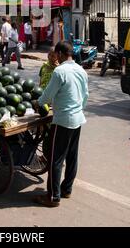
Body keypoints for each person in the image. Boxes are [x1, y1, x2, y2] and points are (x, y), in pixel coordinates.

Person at [33, 41, 89, 208]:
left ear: (59, 53)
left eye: (55, 54)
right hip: (78, 119)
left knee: (55, 160)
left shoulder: (60, 71)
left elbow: (47, 96)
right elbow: (85, 95)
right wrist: (77, 109)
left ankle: (53, 197)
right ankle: (66, 189)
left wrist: (38, 103)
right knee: (72, 157)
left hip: (63, 121)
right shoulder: (81, 70)